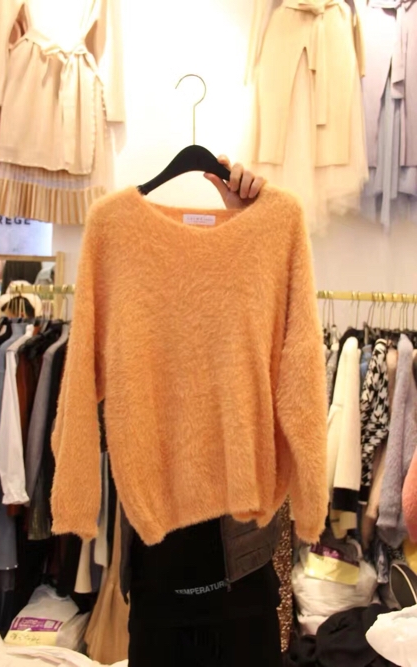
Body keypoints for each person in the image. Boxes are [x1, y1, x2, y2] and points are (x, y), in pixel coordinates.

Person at [125, 158, 284, 667]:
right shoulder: (126, 276)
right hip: (156, 589)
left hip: (243, 580)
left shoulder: (253, 285)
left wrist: (247, 221)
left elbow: (286, 360)